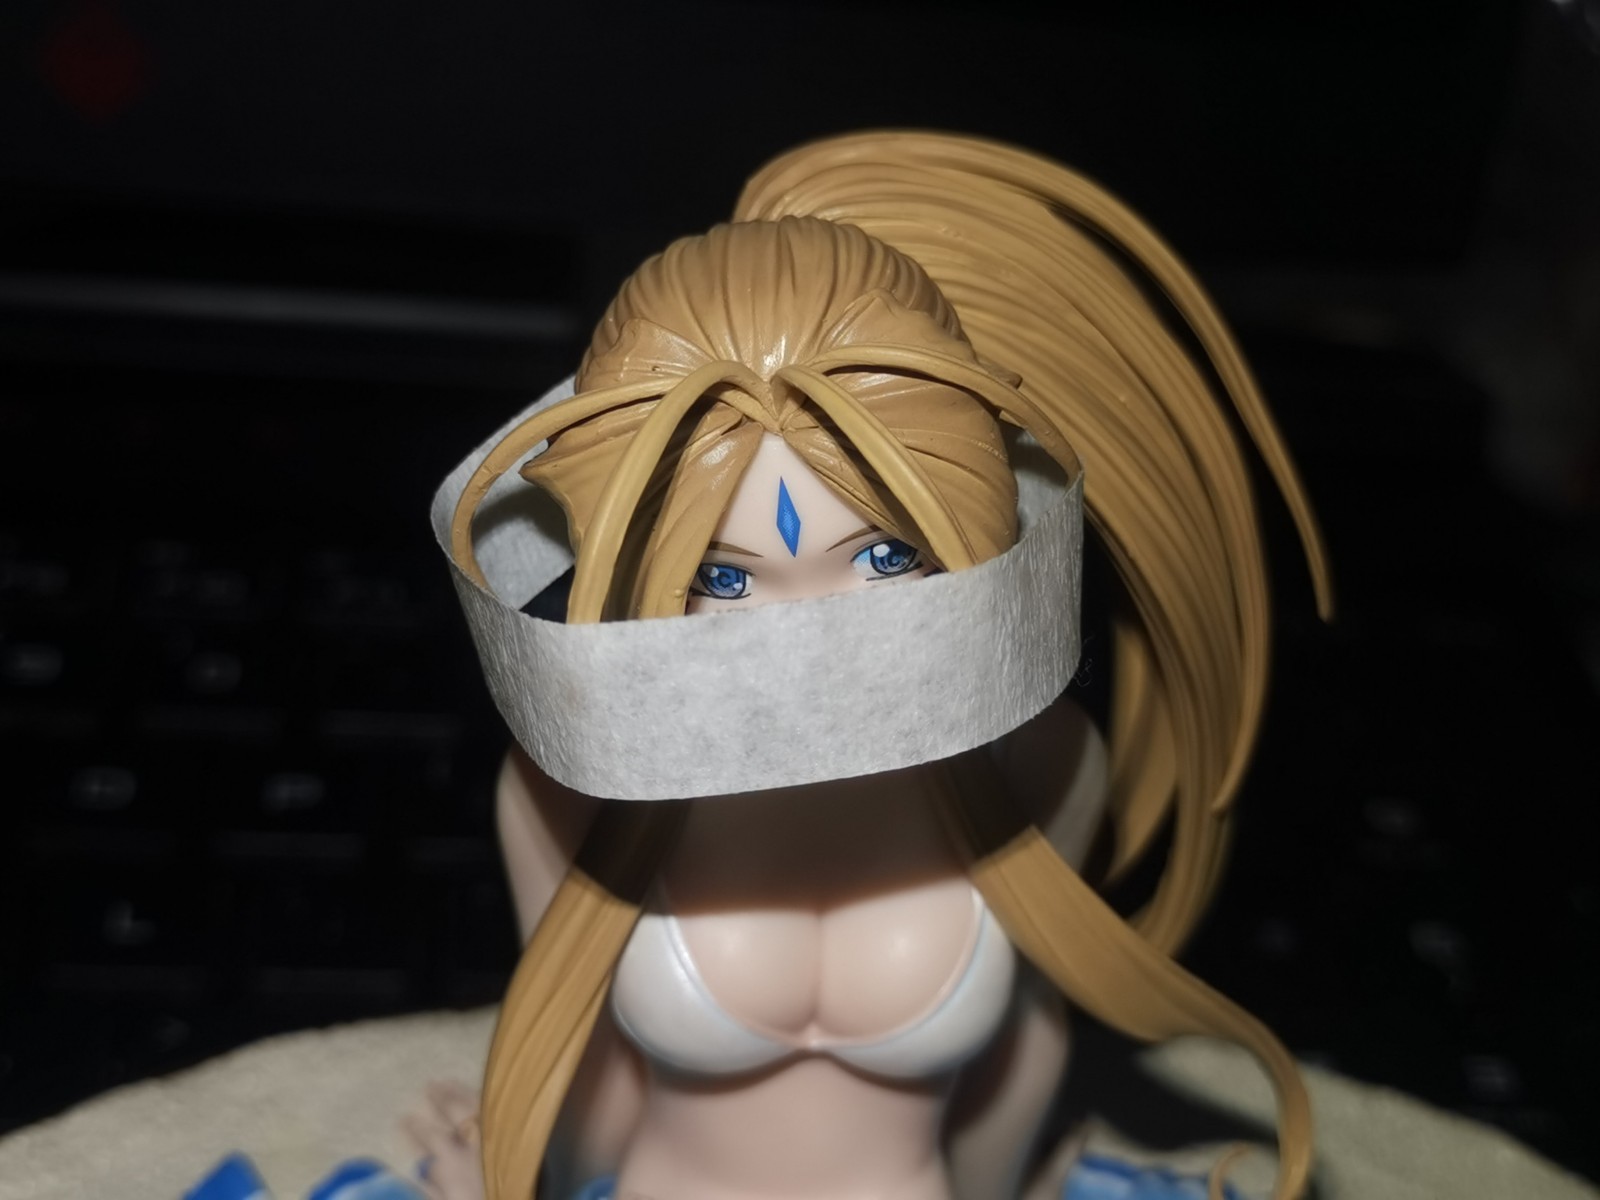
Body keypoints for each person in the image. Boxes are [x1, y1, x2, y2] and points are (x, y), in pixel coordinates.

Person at [436, 131, 1332, 1200]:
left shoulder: (1037, 760)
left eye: (883, 557)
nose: (811, 633)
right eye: (722, 577)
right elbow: (579, 1065)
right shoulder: (571, 780)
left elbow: (1024, 1051)